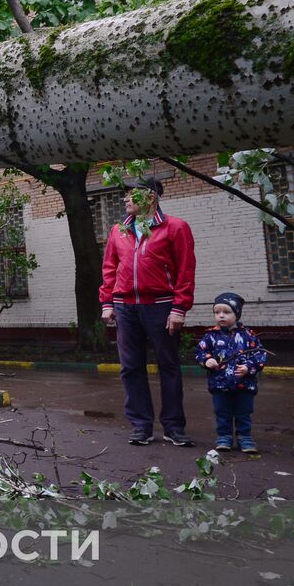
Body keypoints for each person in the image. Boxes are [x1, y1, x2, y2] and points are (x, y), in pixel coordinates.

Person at [99, 176, 197, 446]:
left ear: (150, 197)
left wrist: (179, 308)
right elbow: (109, 268)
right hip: (125, 308)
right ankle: (141, 425)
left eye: (132, 194)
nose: (125, 199)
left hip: (162, 306)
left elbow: (185, 271)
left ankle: (174, 427)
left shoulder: (175, 227)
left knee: (169, 366)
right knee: (131, 367)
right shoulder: (118, 230)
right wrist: (107, 302)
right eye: (126, 194)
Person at [195, 292, 268, 453]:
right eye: (217, 312)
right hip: (219, 384)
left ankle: (245, 438)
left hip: (245, 385)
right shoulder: (210, 336)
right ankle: (224, 437)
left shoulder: (248, 336)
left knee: (244, 413)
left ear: (237, 314)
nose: (221, 316)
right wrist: (207, 360)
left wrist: (249, 367)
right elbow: (200, 352)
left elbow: (260, 354)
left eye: (226, 312)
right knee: (222, 412)